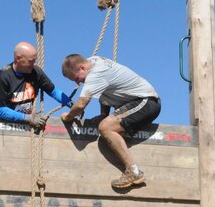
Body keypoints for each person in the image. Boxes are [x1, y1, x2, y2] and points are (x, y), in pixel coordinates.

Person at [60, 54, 161, 190]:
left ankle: (133, 172)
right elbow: (104, 90)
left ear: (81, 67)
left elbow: (81, 104)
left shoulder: (95, 74)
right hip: (138, 102)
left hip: (146, 101)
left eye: (77, 78)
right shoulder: (94, 60)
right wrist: (104, 114)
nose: (78, 83)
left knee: (105, 127)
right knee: (105, 122)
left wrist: (68, 117)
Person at [0, 41, 73, 130]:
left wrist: (71, 104)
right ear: (18, 58)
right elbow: (0, 110)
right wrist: (26, 118)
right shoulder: (2, 77)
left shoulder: (36, 72)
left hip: (27, 126)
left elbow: (53, 91)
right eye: (31, 61)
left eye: (35, 60)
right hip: (5, 127)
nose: (34, 64)